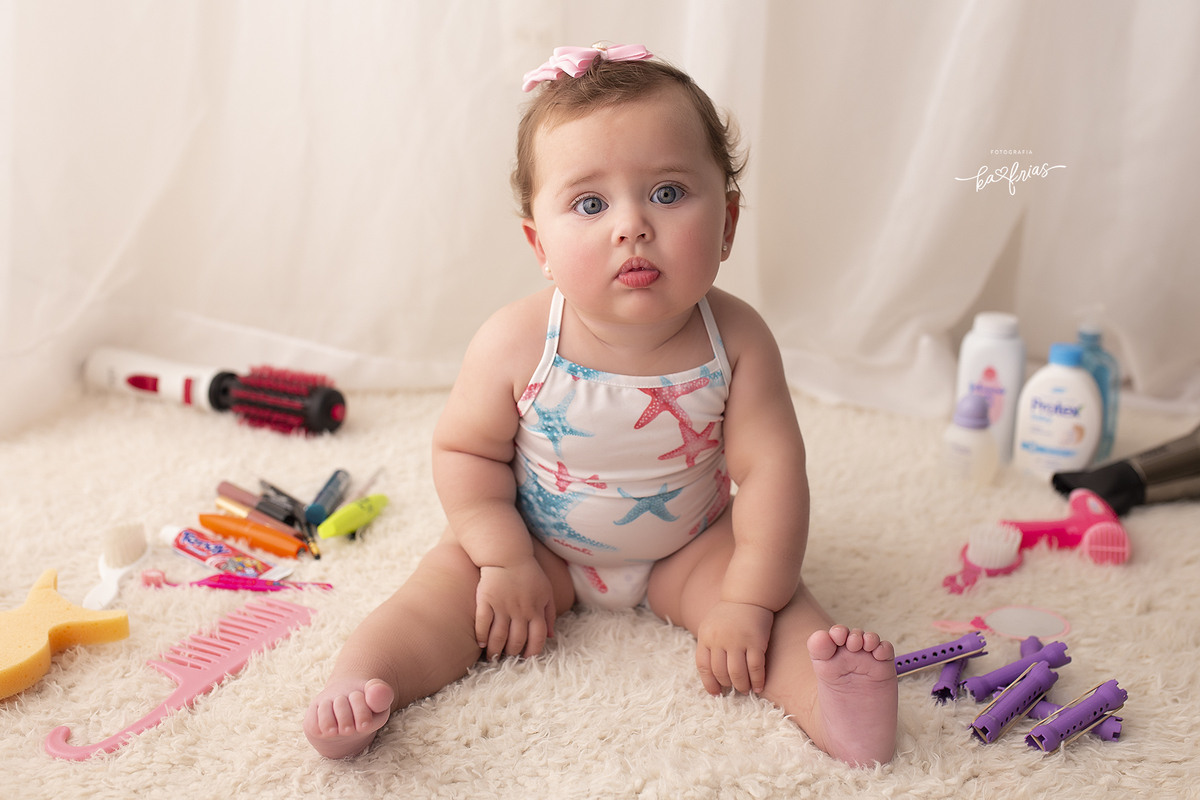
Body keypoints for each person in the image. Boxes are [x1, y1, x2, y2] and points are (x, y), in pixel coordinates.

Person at [304, 44, 898, 767]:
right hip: (536, 544)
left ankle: (838, 713)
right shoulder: (515, 341)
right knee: (439, 597)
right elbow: (465, 452)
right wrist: (503, 557)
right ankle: (362, 685)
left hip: (689, 547)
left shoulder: (738, 340)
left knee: (775, 608)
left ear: (728, 224)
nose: (632, 225)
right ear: (540, 245)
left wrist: (746, 600)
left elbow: (772, 473)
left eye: (669, 193)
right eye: (590, 203)